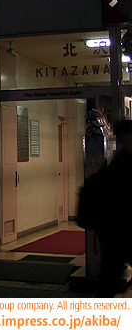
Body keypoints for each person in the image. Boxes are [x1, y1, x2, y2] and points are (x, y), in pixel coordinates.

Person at [78, 119, 132, 297]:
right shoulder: (121, 164)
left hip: (110, 234)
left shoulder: (112, 164)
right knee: (109, 278)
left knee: (108, 278)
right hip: (120, 231)